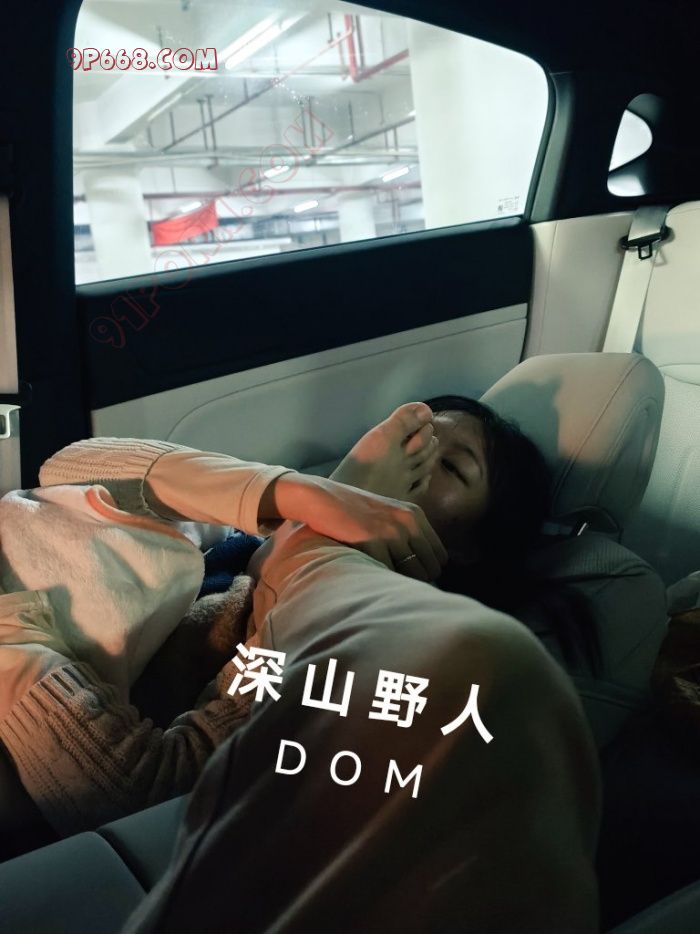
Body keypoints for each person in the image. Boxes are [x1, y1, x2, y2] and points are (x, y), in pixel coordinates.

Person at [0, 401, 600, 931]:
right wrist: (298, 494)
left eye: (451, 466)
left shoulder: (350, 652)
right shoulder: (251, 542)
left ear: (469, 546)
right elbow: (67, 470)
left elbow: (138, 790)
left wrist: (315, 545)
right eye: (417, 439)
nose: (416, 452)